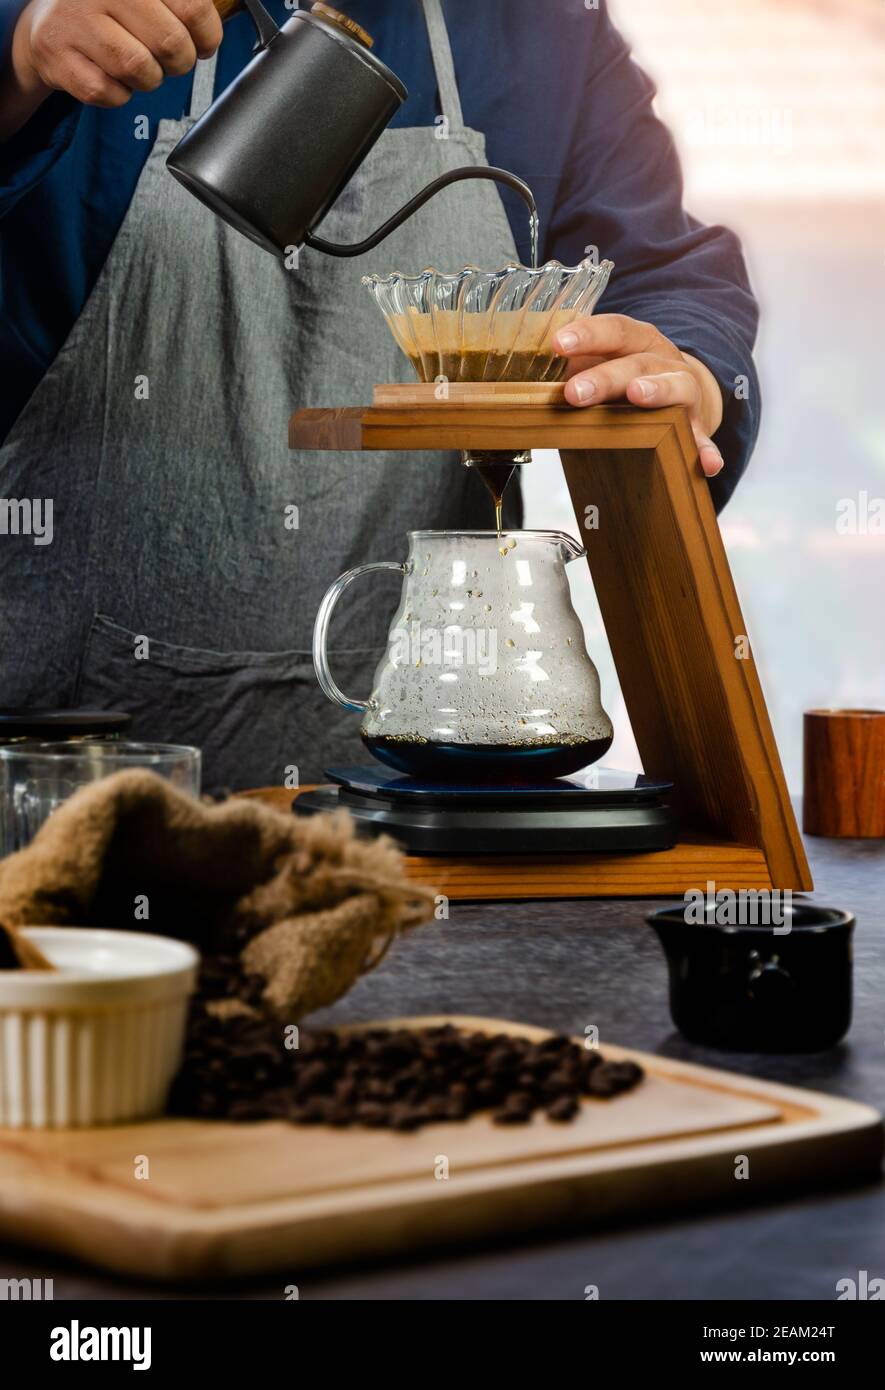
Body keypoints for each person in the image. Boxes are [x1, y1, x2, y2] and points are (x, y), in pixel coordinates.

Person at [0, 0, 760, 789]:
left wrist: (690, 372)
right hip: (61, 796)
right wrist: (21, 50)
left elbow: (663, 275)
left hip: (428, 808)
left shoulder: (547, 32)